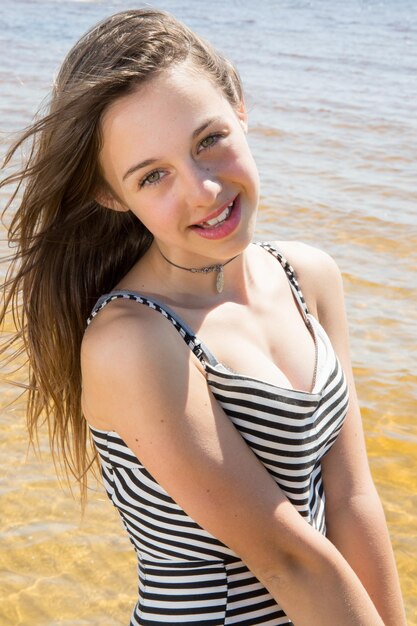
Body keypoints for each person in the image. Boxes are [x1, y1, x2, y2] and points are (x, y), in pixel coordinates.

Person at [0, 9, 407, 626]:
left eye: (209, 140)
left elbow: (352, 501)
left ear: (240, 106)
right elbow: (286, 559)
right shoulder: (134, 340)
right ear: (112, 195)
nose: (203, 190)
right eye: (153, 175)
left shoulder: (309, 277)